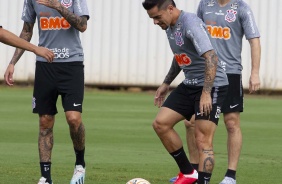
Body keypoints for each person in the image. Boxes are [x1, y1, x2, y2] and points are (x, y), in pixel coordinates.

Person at [171, 0, 261, 183]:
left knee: (231, 123)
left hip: (230, 73)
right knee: (190, 122)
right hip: (205, 72)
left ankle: (230, 176)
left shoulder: (242, 8)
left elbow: (254, 40)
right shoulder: (205, 4)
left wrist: (255, 73)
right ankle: (193, 172)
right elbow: (194, 33)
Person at [142, 0, 229, 183]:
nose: (155, 22)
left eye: (157, 17)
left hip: (212, 85)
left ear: (171, 9)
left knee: (202, 139)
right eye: (152, 18)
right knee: (161, 124)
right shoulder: (169, 27)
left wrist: (206, 93)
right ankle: (189, 173)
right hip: (189, 84)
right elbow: (180, 56)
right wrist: (166, 83)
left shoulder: (191, 23)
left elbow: (211, 57)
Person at [4, 0, 90, 183]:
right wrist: (12, 62)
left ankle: (80, 165)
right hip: (45, 65)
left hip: (72, 64)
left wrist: (58, 6)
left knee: (74, 119)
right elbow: (27, 31)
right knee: (45, 122)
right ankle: (45, 178)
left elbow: (83, 26)